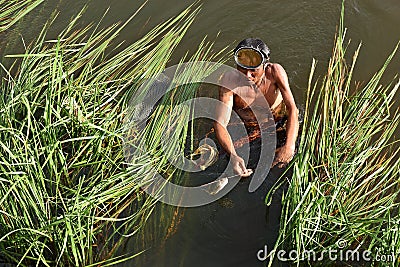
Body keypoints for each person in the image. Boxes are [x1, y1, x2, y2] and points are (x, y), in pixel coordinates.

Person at [214, 38, 299, 177]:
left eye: (253, 70)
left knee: (285, 165)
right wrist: (233, 156)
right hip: (245, 127)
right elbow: (220, 123)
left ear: (265, 65)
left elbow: (292, 109)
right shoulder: (229, 80)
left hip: (275, 123)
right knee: (217, 162)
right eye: (242, 69)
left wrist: (289, 146)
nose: (247, 75)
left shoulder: (275, 72)